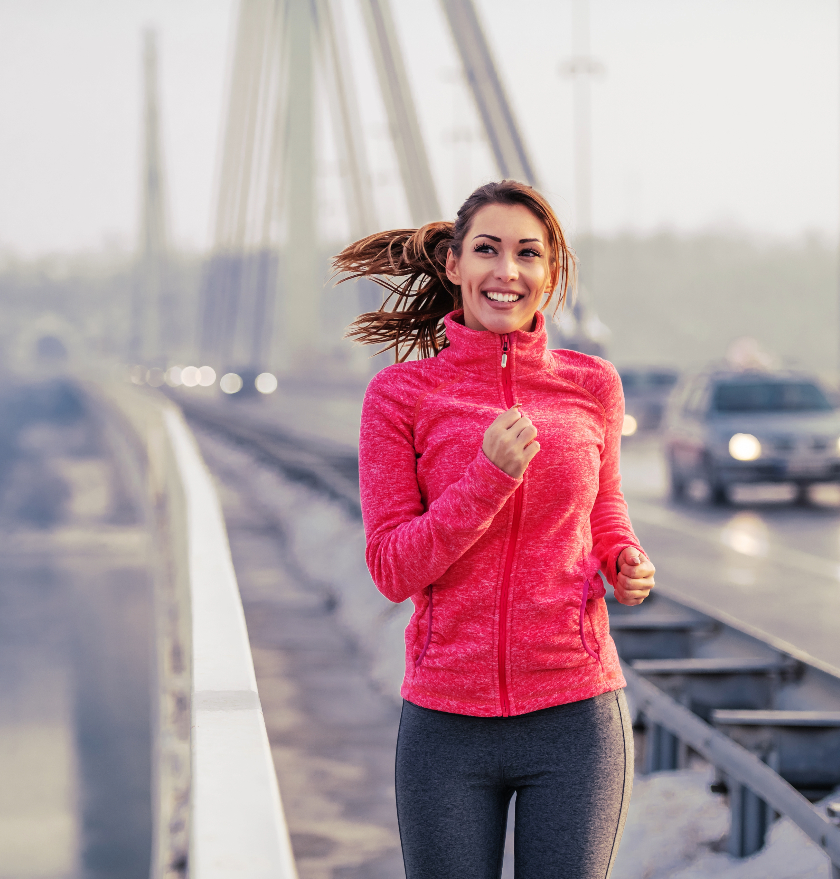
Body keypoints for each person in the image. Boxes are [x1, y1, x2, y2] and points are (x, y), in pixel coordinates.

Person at [333, 180, 656, 879]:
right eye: (488, 249)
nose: (507, 272)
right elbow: (392, 568)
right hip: (447, 722)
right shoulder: (400, 396)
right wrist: (488, 476)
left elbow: (605, 508)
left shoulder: (593, 385)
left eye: (527, 254)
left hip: (576, 713)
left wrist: (623, 557)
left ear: (550, 274)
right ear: (454, 264)